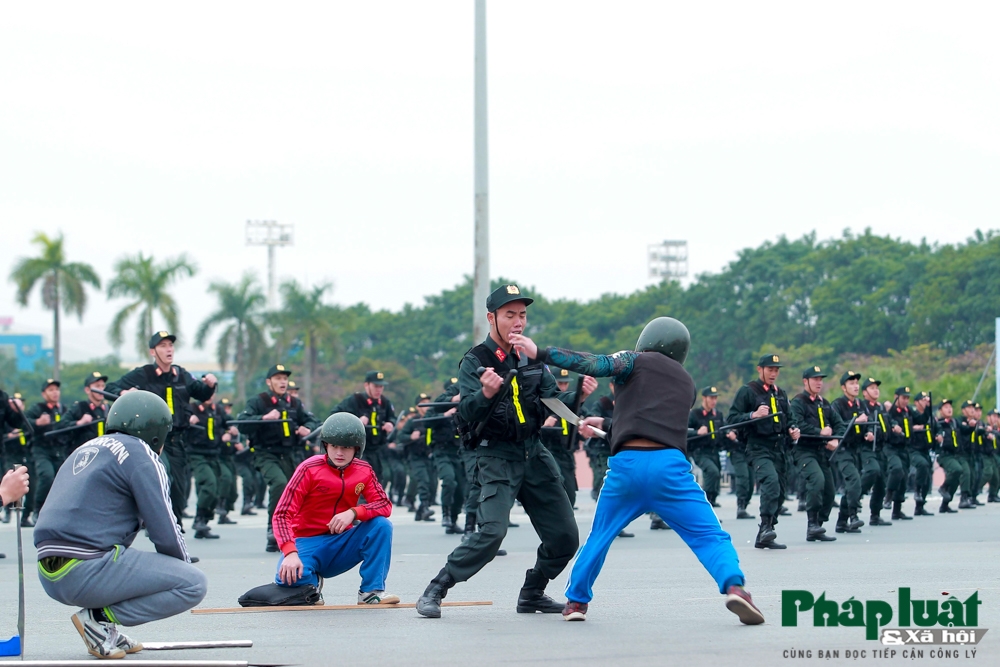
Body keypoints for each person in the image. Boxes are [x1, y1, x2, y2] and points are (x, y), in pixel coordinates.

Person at [511, 317, 764, 625]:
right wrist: (605, 424)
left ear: (646, 341)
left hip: (626, 467)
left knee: (600, 536)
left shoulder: (632, 360)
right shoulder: (687, 383)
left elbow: (596, 364)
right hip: (669, 468)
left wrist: (542, 352)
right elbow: (651, 417)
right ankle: (735, 587)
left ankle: (576, 602)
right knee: (710, 535)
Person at [416, 284, 595, 619]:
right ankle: (436, 588)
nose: (518, 322)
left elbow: (553, 401)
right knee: (492, 533)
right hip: (493, 455)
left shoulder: (531, 356)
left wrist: (580, 397)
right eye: (510, 314)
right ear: (492, 318)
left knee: (566, 537)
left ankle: (532, 593)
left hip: (532, 452)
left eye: (522, 315)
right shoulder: (476, 360)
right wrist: (485, 394)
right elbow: (467, 413)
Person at [34, 390, 207, 660]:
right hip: (86, 570)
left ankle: (105, 629)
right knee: (193, 584)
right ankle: (97, 619)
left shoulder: (86, 448)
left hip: (48, 574)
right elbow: (165, 531)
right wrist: (177, 569)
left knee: (117, 553)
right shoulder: (142, 454)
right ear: (156, 433)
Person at [271, 412, 397, 605]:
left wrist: (354, 512)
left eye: (346, 447)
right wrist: (289, 552)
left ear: (357, 448)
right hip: (306, 541)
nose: (339, 452)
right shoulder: (309, 469)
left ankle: (371, 591)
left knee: (382, 525)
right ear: (325, 445)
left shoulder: (364, 470)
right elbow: (281, 515)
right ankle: (311, 583)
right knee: (288, 578)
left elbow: (384, 505)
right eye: (334, 446)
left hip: (340, 543)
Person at [107, 331, 218, 528]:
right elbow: (111, 388)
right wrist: (123, 393)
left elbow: (201, 392)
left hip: (177, 440)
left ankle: (175, 531)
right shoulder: (143, 374)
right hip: (153, 440)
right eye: (163, 346)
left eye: (171, 345)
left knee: (179, 488)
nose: (169, 349)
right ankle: (156, 524)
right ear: (153, 351)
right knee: (163, 475)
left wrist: (211, 385)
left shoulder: (181, 375)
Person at [237, 364, 320, 552]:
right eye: (278, 378)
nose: (282, 382)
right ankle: (273, 529)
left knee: (295, 491)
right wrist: (263, 418)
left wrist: (306, 427)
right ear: (269, 382)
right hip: (265, 453)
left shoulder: (294, 403)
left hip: (289, 454)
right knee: (279, 483)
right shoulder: (259, 401)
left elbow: (311, 420)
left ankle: (289, 531)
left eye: (284, 378)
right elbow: (242, 423)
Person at [727, 354, 800, 550]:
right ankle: (766, 526)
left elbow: (790, 418)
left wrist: (793, 429)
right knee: (771, 482)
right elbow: (731, 419)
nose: (773, 373)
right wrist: (753, 415)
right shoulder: (748, 391)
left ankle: (765, 532)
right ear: (760, 369)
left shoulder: (781, 393)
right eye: (770, 369)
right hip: (759, 447)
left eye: (776, 370)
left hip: (780, 448)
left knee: (781, 491)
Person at [789, 366, 843, 542]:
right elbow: (797, 424)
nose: (819, 383)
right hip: (804, 450)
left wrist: (836, 439)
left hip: (822, 452)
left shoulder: (824, 403)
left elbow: (839, 424)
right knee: (817, 480)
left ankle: (818, 524)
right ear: (806, 381)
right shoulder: (798, 402)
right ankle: (812, 524)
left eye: (821, 379)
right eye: (815, 379)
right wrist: (820, 432)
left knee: (830, 490)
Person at [186, 388, 237, 539]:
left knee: (216, 489)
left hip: (214, 454)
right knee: (209, 483)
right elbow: (179, 424)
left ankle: (204, 522)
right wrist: (188, 421)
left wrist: (231, 431)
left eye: (212, 393)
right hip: (197, 454)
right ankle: (199, 519)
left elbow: (229, 423)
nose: (210, 396)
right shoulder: (192, 409)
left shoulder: (218, 410)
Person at [331, 371, 396, 482]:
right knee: (361, 478)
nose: (379, 390)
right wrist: (355, 421)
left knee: (382, 478)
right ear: (366, 385)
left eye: (381, 387)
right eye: (376, 386)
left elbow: (392, 417)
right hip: (360, 449)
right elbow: (334, 416)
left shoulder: (385, 402)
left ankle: (374, 500)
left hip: (378, 449)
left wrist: (390, 423)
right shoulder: (355, 400)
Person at [829, 371, 867, 533]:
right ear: (844, 388)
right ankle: (853, 515)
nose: (855, 386)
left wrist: (868, 433)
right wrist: (855, 421)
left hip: (856, 450)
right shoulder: (837, 404)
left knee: (851, 485)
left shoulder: (860, 405)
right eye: (851, 383)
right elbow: (837, 426)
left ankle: (841, 522)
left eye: (857, 382)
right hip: (843, 450)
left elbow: (865, 426)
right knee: (854, 481)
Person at [26, 378, 67, 523]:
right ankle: (37, 510)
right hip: (41, 450)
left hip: (59, 450)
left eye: (56, 389)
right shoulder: (37, 408)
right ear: (44, 394)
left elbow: (68, 423)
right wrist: (37, 422)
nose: (55, 392)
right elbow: (23, 422)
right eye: (51, 390)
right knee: (46, 476)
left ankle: (57, 512)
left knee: (62, 480)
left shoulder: (63, 409)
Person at [540, 369, 581, 510]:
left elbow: (581, 423)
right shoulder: (545, 402)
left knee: (570, 493)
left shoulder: (571, 403)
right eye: (560, 383)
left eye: (565, 384)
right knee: (556, 485)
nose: (563, 387)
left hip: (566, 453)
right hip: (549, 451)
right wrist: (544, 425)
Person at [397, 394, 438, 522]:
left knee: (432, 483)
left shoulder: (431, 420)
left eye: (427, 402)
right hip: (415, 457)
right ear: (417, 406)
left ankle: (420, 511)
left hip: (429, 456)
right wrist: (410, 437)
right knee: (423, 481)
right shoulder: (412, 421)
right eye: (423, 403)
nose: (426, 405)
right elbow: (401, 436)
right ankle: (425, 507)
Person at [688, 386, 729, 509]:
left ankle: (711, 501)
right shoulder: (694, 414)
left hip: (715, 451)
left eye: (715, 398)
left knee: (716, 477)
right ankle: (704, 504)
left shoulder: (718, 415)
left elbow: (725, 428)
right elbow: (683, 431)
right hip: (700, 451)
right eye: (711, 398)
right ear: (704, 398)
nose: (714, 401)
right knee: (712, 472)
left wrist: (729, 433)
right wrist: (697, 432)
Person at [55, 372, 111, 454]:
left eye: (103, 386)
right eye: (97, 386)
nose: (101, 389)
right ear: (87, 390)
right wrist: (79, 422)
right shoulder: (80, 407)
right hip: (84, 454)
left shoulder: (108, 408)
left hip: (104, 453)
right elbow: (60, 425)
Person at [2, 391, 33, 527]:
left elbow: (17, 422)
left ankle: (23, 513)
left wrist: (17, 410)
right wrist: (8, 436)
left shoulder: (2, 397)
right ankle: (7, 510)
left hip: (16, 453)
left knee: (21, 481)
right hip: (10, 453)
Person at [884, 387, 914, 521]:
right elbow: (887, 419)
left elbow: (921, 418)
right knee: (896, 469)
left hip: (904, 448)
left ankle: (897, 510)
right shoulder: (890, 411)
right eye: (903, 398)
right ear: (896, 397)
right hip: (891, 447)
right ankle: (888, 495)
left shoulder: (908, 411)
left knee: (904, 478)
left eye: (908, 398)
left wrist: (926, 405)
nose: (906, 401)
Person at [909, 391, 936, 516]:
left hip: (926, 449)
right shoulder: (912, 414)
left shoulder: (928, 415)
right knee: (922, 465)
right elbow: (917, 421)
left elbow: (936, 427)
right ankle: (917, 490)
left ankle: (920, 506)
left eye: (927, 400)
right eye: (923, 400)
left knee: (927, 475)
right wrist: (914, 428)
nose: (926, 402)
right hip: (914, 449)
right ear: (916, 402)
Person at [935, 398, 961, 513]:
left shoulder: (954, 422)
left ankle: (945, 504)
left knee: (956, 479)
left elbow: (965, 430)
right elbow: (935, 434)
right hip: (944, 454)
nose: (949, 409)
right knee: (957, 469)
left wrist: (971, 426)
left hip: (954, 454)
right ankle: (943, 487)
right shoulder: (938, 423)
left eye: (950, 407)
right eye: (946, 407)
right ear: (940, 410)